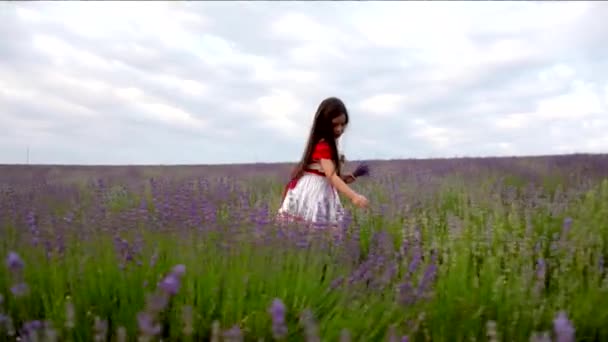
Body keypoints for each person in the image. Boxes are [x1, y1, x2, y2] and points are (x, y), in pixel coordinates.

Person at [277, 97, 369, 226]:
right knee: (317, 230)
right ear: (324, 124)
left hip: (320, 189)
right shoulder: (324, 146)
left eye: (343, 124)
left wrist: (342, 178)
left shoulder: (327, 144)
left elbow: (326, 173)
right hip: (314, 193)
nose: (340, 129)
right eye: (335, 125)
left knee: (315, 232)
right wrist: (354, 197)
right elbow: (331, 176)